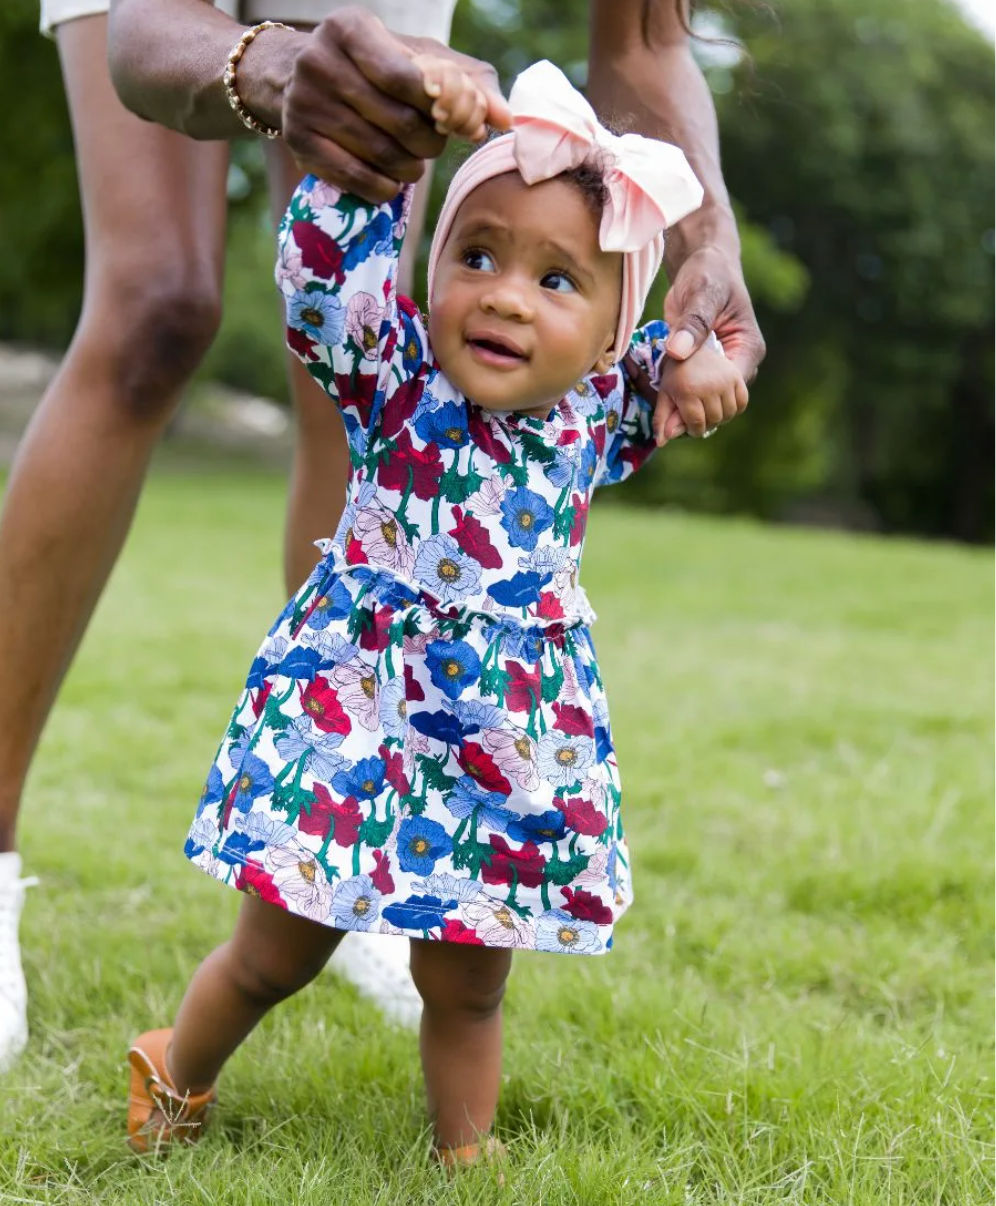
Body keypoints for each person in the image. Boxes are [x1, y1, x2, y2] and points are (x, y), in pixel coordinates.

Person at [0, 0, 766, 1070]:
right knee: (157, 305)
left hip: (480, 728)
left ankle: (387, 904)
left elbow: (641, 48)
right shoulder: (400, 375)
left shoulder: (589, 411)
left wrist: (702, 304)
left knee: (468, 981)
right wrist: (317, 100)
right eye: (477, 259)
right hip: (355, 692)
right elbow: (323, 275)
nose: (503, 300)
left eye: (550, 282)